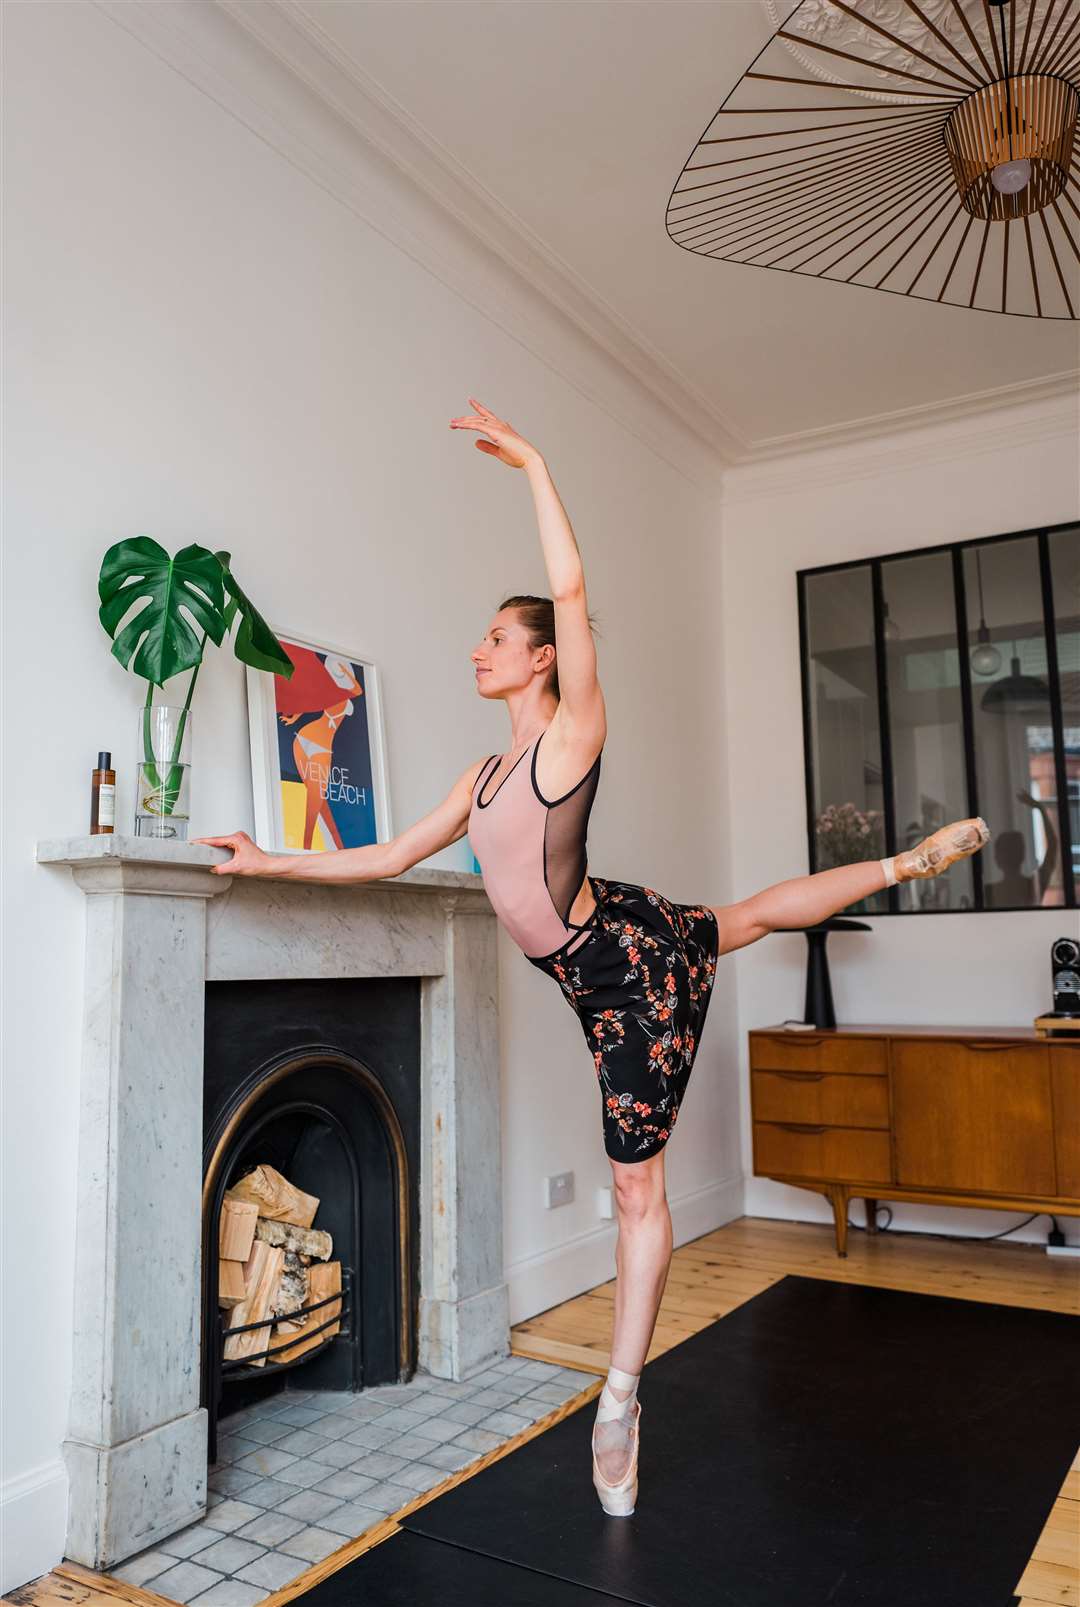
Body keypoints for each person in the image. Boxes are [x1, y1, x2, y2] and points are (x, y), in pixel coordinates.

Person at [194, 399, 991, 1519]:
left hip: (622, 974)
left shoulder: (572, 735)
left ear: (541, 662)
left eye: (496, 638)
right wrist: (263, 861)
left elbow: (572, 595)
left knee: (634, 1180)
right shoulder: (480, 777)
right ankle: (904, 861)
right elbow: (377, 855)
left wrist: (535, 460)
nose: (478, 647)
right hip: (601, 934)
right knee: (741, 915)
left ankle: (620, 1400)